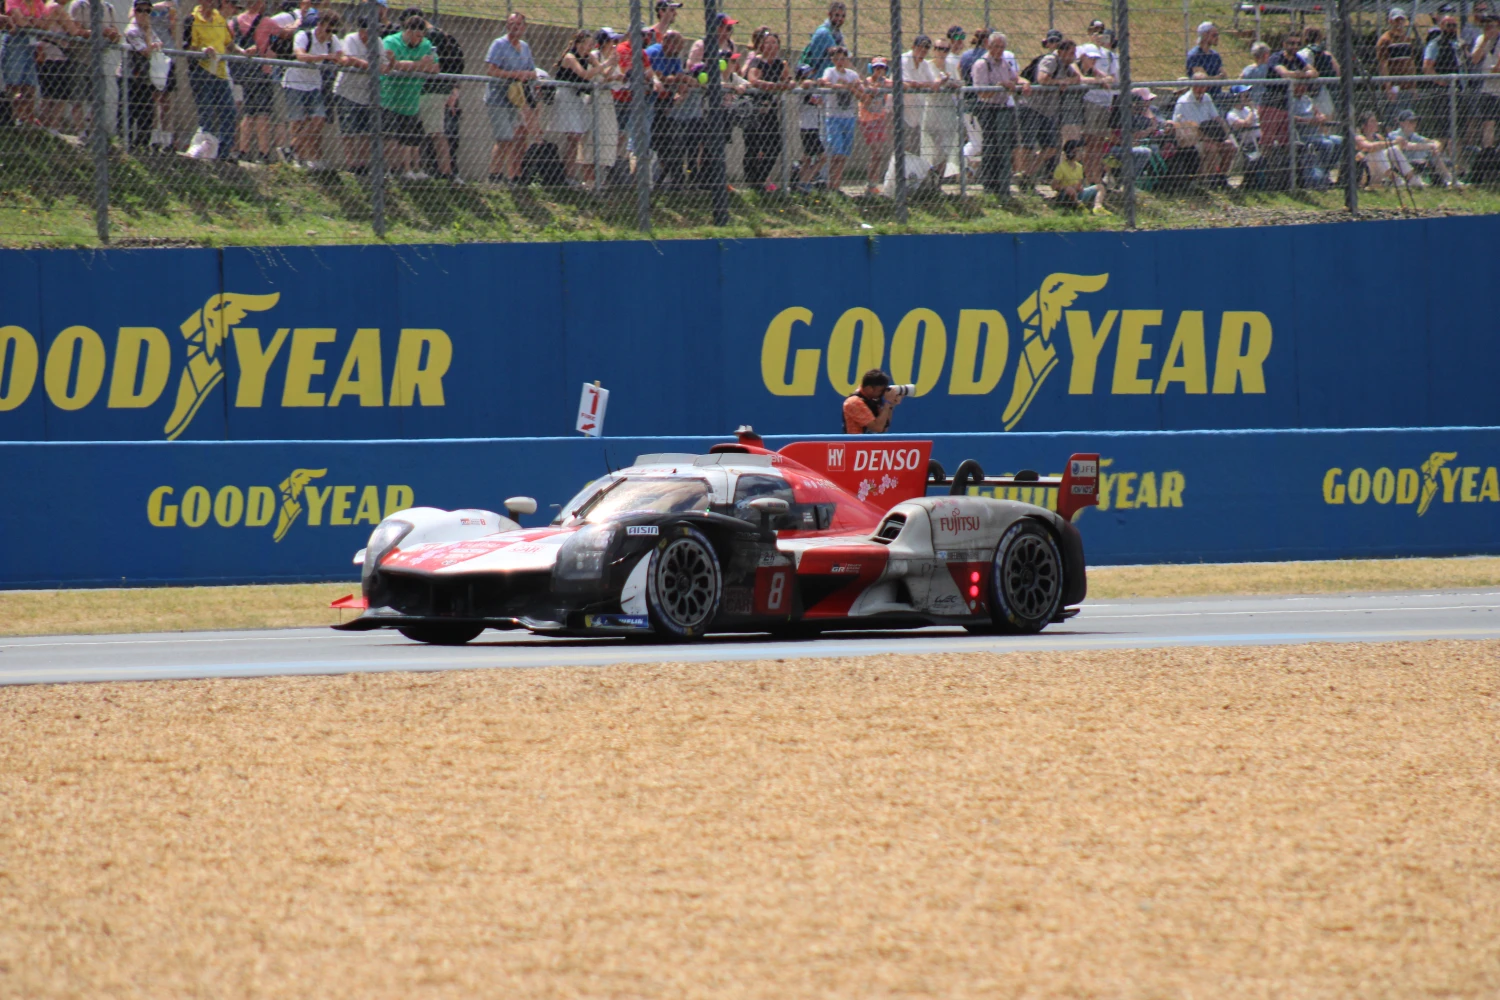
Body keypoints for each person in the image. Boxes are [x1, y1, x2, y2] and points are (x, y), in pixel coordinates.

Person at [184, 0, 243, 156]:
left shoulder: (219, 18)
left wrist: (243, 52)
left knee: (229, 112)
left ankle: (223, 153)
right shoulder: (191, 20)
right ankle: (204, 149)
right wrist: (203, 50)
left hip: (220, 73)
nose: (212, 3)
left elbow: (229, 44)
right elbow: (188, 48)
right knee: (207, 113)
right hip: (201, 71)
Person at [381, 14, 435, 179]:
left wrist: (409, 65)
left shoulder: (426, 44)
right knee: (389, 137)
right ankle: (387, 170)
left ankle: (406, 170)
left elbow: (435, 67)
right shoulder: (391, 41)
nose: (420, 40)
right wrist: (420, 65)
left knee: (407, 139)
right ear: (408, 31)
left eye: (422, 36)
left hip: (411, 101)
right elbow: (391, 65)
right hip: (389, 98)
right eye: (418, 36)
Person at [282, 9, 338, 168]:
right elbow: (301, 56)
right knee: (297, 120)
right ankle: (297, 158)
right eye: (328, 30)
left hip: (314, 84)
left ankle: (291, 149)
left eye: (334, 31)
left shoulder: (332, 40)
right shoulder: (304, 36)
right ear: (320, 25)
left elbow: (341, 56)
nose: (330, 34)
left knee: (318, 119)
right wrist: (326, 57)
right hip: (295, 82)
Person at [972, 31, 1026, 196]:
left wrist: (1022, 83)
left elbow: (1015, 78)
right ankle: (989, 186)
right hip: (988, 109)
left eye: (1002, 47)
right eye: (996, 46)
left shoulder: (1004, 63)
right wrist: (1000, 85)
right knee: (991, 147)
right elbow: (981, 93)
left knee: (1004, 147)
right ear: (988, 45)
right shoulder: (982, 64)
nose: (999, 50)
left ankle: (1003, 186)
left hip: (1003, 108)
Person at [484, 11, 534, 185]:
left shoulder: (525, 47)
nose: (515, 27)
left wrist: (527, 75)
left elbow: (532, 70)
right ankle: (494, 175)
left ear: (524, 27)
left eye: (518, 24)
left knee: (510, 138)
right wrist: (514, 74)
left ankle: (501, 175)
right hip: (498, 98)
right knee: (504, 137)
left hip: (514, 99)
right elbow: (491, 70)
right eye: (511, 24)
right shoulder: (499, 44)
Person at [1028, 37, 1081, 189]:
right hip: (1034, 108)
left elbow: (1077, 79)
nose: (1073, 56)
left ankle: (1028, 174)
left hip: (1049, 112)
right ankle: (1024, 174)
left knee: (1052, 147)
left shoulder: (1066, 65)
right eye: (1071, 53)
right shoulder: (1051, 60)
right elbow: (1042, 78)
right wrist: (1059, 82)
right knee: (1028, 144)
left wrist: (1065, 81)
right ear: (1062, 52)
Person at [743, 29, 789, 190]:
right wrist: (774, 86)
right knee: (754, 146)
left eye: (774, 42)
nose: (771, 45)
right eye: (768, 42)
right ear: (762, 45)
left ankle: (761, 178)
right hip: (755, 109)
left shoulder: (780, 64)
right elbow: (753, 79)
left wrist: (788, 84)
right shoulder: (757, 61)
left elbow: (788, 80)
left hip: (770, 110)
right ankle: (751, 181)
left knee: (774, 144)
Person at [420, 16, 463, 182]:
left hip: (434, 91)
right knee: (442, 133)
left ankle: (446, 172)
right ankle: (444, 171)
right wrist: (454, 89)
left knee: (440, 133)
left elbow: (450, 66)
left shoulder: (432, 38)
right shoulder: (446, 38)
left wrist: (454, 90)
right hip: (443, 90)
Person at [1172, 68, 1233, 185]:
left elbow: (1217, 118)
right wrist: (1211, 139)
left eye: (1203, 86)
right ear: (1192, 86)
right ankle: (1206, 181)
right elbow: (1192, 128)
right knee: (1211, 148)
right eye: (1197, 86)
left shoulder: (1207, 97)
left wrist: (1228, 135)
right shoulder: (1184, 101)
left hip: (1208, 134)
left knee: (1230, 147)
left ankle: (1221, 179)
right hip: (1191, 137)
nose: (1200, 89)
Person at [578, 27, 622, 187]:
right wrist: (611, 68)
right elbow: (596, 80)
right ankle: (589, 182)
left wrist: (617, 76)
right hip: (593, 102)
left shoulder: (611, 58)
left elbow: (613, 83)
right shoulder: (594, 56)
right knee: (590, 142)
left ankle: (599, 181)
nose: (615, 45)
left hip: (607, 103)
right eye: (612, 41)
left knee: (607, 140)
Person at [1260, 29, 1314, 149]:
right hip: (1271, 103)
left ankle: (1284, 166)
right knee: (1268, 139)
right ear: (1284, 45)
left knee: (1286, 140)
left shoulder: (1297, 58)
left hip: (1286, 103)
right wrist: (1301, 74)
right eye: (1291, 43)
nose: (1294, 46)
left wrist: (1300, 74)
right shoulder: (1276, 58)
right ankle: (1264, 164)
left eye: (1297, 44)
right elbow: (1284, 73)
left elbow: (1314, 72)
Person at [332, 15, 373, 172]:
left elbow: (382, 65)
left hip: (366, 94)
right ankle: (351, 164)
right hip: (346, 92)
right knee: (348, 130)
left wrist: (365, 65)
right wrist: (370, 65)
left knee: (364, 132)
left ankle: (362, 165)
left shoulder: (377, 42)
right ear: (362, 31)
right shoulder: (351, 39)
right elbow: (349, 59)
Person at [820, 45, 860, 192]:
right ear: (832, 59)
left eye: (843, 58)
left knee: (843, 154)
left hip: (848, 117)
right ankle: (830, 184)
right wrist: (837, 86)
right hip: (833, 116)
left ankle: (837, 184)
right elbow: (824, 81)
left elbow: (859, 86)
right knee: (836, 153)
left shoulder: (851, 74)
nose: (840, 61)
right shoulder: (830, 71)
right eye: (836, 58)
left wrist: (851, 86)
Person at [122, 0, 161, 148]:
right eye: (140, 10)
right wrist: (151, 41)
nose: (144, 14)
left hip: (145, 78)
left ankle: (142, 147)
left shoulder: (147, 29)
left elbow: (159, 44)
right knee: (129, 112)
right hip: (130, 76)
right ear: (134, 11)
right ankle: (125, 144)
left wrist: (151, 36)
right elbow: (146, 52)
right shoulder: (132, 30)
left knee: (146, 114)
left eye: (147, 11)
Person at [1078, 39, 1117, 184]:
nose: (1093, 61)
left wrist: (1101, 79)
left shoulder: (1095, 68)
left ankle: (1095, 176)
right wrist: (1099, 81)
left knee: (1099, 142)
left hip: (1104, 102)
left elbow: (1109, 78)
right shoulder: (1077, 66)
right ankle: (1088, 176)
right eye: (1091, 58)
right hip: (1091, 102)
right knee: (1090, 141)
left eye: (1095, 58)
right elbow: (1081, 79)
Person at [1390, 107, 1459, 185]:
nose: (1414, 124)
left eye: (1415, 121)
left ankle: (1450, 179)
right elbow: (1407, 146)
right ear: (1402, 123)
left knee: (1434, 153)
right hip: (1399, 166)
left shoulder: (1413, 135)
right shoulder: (1394, 134)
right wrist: (1430, 146)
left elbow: (1434, 141)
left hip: (1414, 163)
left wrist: (1435, 147)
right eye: (1411, 121)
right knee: (1427, 149)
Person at [1354, 108, 1418, 186]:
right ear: (1363, 125)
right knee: (1376, 151)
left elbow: (1392, 147)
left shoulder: (1378, 137)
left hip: (1380, 171)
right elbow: (1370, 147)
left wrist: (1398, 143)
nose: (1376, 123)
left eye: (1375, 121)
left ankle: (1412, 179)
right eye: (1372, 121)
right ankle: (1397, 180)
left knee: (1393, 149)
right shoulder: (1359, 138)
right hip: (1367, 174)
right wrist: (1393, 142)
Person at [858, 55, 890, 194]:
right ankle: (870, 183)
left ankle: (872, 184)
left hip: (879, 119)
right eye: (876, 68)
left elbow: (902, 84)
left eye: (881, 68)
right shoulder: (866, 83)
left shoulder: (886, 83)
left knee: (878, 154)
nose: (879, 71)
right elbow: (865, 103)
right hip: (867, 119)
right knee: (877, 151)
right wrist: (872, 91)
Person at [1052, 137, 1108, 213]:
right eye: (1079, 151)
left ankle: (1097, 207)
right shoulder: (1061, 168)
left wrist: (1079, 187)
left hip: (1078, 194)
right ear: (1071, 152)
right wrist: (1066, 187)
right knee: (1070, 190)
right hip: (1066, 195)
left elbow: (1079, 183)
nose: (1082, 153)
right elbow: (1054, 186)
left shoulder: (1079, 166)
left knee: (1100, 187)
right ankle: (1078, 206)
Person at [842, 369, 903, 434]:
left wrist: (891, 405)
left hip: (871, 443)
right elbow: (877, 428)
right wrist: (887, 403)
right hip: (856, 443)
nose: (882, 393)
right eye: (880, 391)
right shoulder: (854, 402)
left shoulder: (872, 400)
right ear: (869, 389)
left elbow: (883, 428)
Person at [801, 0, 843, 77]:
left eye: (843, 16)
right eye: (837, 15)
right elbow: (841, 58)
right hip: (819, 78)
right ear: (829, 15)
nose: (840, 18)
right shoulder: (823, 32)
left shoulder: (838, 34)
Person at [1225, 83, 1260, 159]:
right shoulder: (1231, 114)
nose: (1249, 98)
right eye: (1245, 96)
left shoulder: (1247, 110)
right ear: (1237, 98)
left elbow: (1259, 120)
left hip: (1259, 140)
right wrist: (1252, 109)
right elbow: (1247, 123)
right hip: (1247, 143)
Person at [1185, 21, 1225, 86]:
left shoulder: (1215, 55)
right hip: (1201, 94)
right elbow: (1201, 79)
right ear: (1204, 35)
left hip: (1218, 93)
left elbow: (1224, 76)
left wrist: (1214, 78)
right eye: (1214, 35)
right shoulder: (1195, 55)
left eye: (1217, 35)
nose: (1217, 38)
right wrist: (1218, 78)